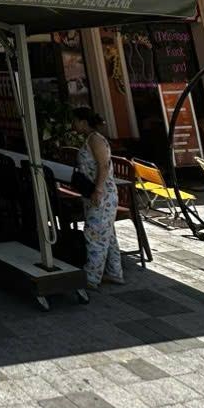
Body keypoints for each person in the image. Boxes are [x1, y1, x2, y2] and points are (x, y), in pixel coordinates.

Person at [73, 107, 124, 290]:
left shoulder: (95, 139)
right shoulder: (90, 139)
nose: (73, 124)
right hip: (97, 193)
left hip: (102, 195)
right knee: (107, 235)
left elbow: (103, 165)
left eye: (75, 121)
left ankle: (91, 277)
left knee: (95, 234)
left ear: (83, 122)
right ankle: (114, 272)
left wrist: (98, 190)